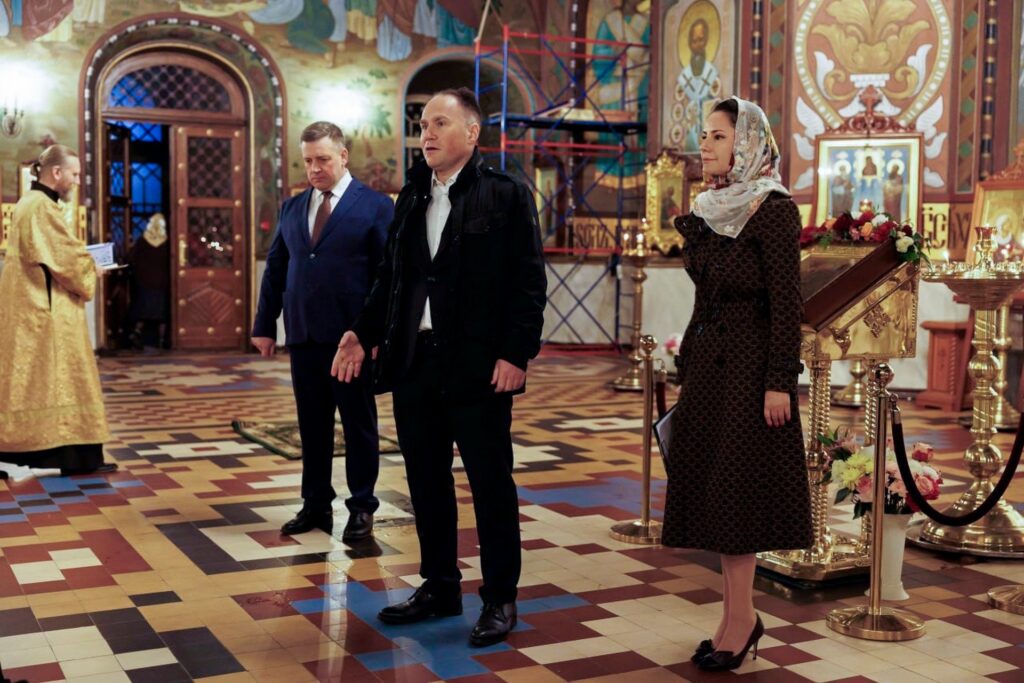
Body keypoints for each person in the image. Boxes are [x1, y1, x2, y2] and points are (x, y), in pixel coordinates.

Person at [331, 87, 546, 647]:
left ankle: (499, 597)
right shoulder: (411, 197)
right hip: (416, 362)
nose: (426, 133)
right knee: (426, 480)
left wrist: (516, 353)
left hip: (478, 365)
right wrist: (362, 332)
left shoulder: (504, 194)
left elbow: (527, 282)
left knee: (490, 483)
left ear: (472, 133)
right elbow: (392, 279)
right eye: (423, 124)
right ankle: (440, 585)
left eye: (439, 123)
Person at [666, 97, 812, 671]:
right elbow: (706, 298)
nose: (705, 145)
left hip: (752, 374)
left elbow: (787, 304)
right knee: (718, 500)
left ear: (747, 143)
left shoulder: (773, 211)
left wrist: (780, 381)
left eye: (719, 136)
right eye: (704, 135)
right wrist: (687, 362)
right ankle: (735, 618)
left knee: (738, 498)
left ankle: (742, 619)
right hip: (710, 372)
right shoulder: (710, 209)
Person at [251, 121, 393, 542]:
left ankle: (362, 506)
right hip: (304, 335)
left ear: (343, 157)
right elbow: (277, 267)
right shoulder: (293, 207)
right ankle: (315, 504)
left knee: (358, 425)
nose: (314, 169)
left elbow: (388, 276)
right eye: (308, 161)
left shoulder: (376, 206)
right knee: (312, 427)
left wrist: (373, 335)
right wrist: (264, 325)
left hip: (351, 341)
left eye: (323, 160)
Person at [0, 145, 116, 475]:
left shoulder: (31, 203)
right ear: (56, 172)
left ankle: (75, 457)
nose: (77, 181)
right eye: (74, 174)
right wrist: (91, 267)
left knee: (44, 382)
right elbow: (64, 258)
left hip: (37, 307)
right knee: (62, 379)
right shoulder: (41, 207)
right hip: (46, 312)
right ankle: (74, 457)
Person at [127, 213, 170, 349]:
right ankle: (162, 340)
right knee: (162, 313)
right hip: (162, 283)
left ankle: (136, 333)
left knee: (143, 311)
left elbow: (131, 259)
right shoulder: (168, 242)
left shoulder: (141, 241)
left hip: (144, 282)